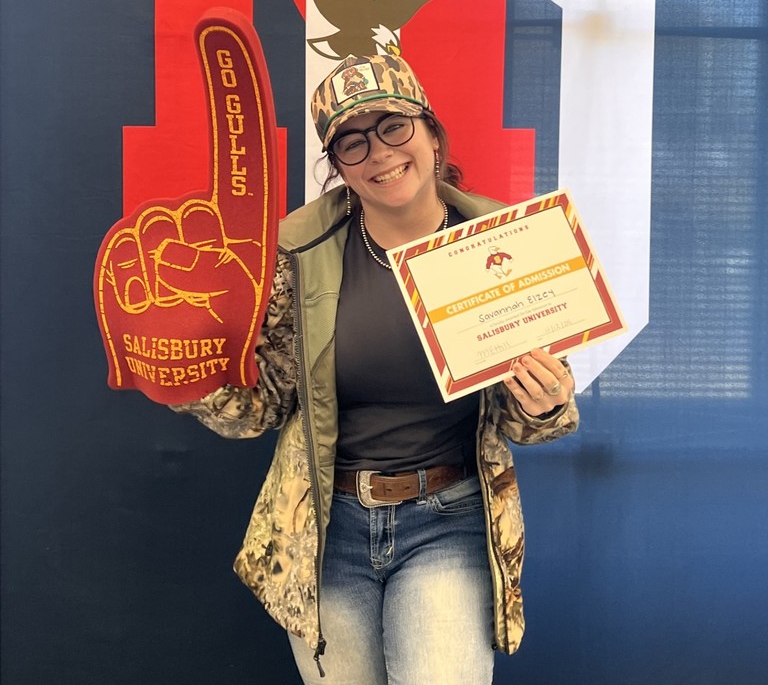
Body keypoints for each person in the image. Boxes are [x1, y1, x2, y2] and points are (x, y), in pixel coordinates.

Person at [175, 53, 579, 684]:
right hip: (324, 530)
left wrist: (544, 402)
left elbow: (531, 423)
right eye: (351, 142)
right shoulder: (292, 253)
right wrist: (191, 372)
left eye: (394, 126)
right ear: (337, 167)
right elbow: (265, 407)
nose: (380, 153)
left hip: (448, 520)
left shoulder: (502, 241)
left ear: (432, 133)